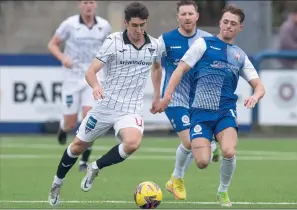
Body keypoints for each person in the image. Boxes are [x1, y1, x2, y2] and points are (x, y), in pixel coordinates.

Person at [48, 1, 162, 206]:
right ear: (126, 23)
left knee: (132, 143)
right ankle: (57, 183)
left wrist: (156, 96)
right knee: (77, 147)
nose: (139, 30)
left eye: (142, 25)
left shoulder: (154, 45)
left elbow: (156, 68)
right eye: (135, 25)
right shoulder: (113, 41)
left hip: (131, 108)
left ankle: (95, 167)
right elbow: (90, 72)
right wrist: (95, 86)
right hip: (105, 105)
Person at [154, 4, 265, 207]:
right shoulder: (203, 45)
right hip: (200, 113)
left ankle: (223, 191)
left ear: (240, 28)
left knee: (229, 152)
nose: (228, 27)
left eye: (233, 24)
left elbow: (259, 86)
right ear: (219, 23)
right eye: (225, 22)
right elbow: (179, 70)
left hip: (225, 112)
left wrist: (255, 97)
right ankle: (205, 148)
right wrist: (167, 96)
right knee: (202, 162)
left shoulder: (239, 55)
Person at [150, 0, 219, 201]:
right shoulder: (165, 40)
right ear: (178, 17)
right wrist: (157, 97)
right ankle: (177, 178)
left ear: (197, 16)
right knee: (190, 141)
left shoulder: (208, 39)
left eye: (191, 13)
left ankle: (211, 145)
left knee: (197, 145)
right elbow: (156, 68)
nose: (187, 17)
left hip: (200, 101)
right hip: (175, 100)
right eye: (183, 14)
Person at [47, 0, 111, 172]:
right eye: (85, 2)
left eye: (91, 2)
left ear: (95, 4)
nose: (88, 5)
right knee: (70, 122)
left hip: (92, 77)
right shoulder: (69, 24)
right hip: (72, 77)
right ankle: (63, 128)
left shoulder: (104, 26)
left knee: (88, 117)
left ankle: (83, 161)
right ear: (79, 5)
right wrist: (63, 58)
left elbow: (109, 49)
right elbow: (52, 44)